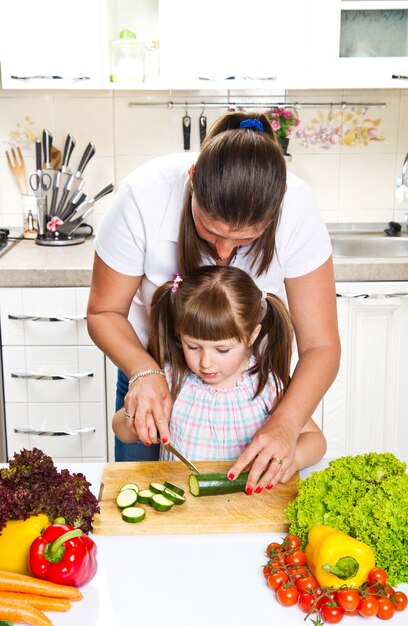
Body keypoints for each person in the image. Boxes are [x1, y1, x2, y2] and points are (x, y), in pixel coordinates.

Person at [87, 111, 340, 492]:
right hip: (152, 368)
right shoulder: (144, 195)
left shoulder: (297, 208)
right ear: (192, 180)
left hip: (248, 378)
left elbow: (321, 345)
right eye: (210, 229)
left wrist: (285, 425)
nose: (222, 251)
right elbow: (104, 312)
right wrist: (145, 371)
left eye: (243, 241)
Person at [113, 266, 327, 487]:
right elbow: (122, 431)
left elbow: (316, 441)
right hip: (179, 506)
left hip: (247, 505)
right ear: (179, 335)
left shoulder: (265, 384)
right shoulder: (171, 379)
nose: (206, 362)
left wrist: (292, 460)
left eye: (222, 350)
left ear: (252, 336)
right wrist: (136, 420)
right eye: (193, 346)